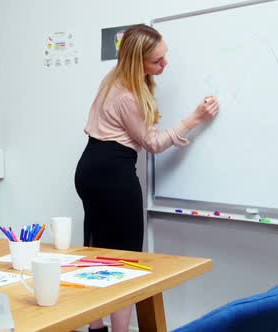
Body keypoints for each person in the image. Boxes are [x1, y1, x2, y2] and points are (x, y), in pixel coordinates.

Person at [74, 24, 219, 332]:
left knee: (97, 254)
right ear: (136, 60)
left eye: (164, 57)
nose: (164, 65)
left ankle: (95, 327)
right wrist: (195, 118)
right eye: (157, 61)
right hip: (112, 173)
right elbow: (153, 144)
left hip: (90, 169)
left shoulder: (112, 80)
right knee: (126, 261)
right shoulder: (128, 95)